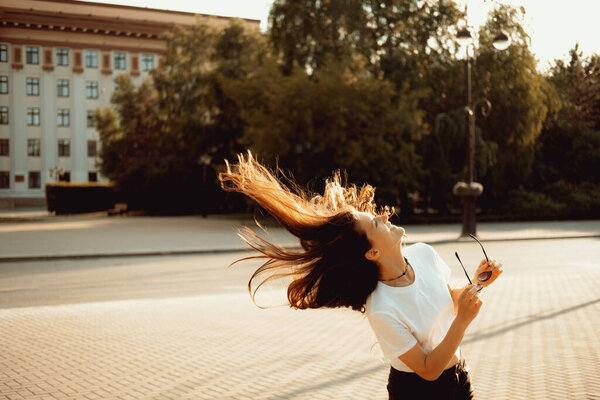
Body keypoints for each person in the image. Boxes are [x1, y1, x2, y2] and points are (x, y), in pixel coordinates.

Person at [219, 152, 503, 399]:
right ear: (372, 253)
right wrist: (463, 321)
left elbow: (445, 300)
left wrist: (475, 284)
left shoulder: (423, 254)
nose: (383, 216)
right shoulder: (382, 308)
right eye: (375, 223)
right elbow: (428, 370)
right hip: (419, 392)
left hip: (459, 378)